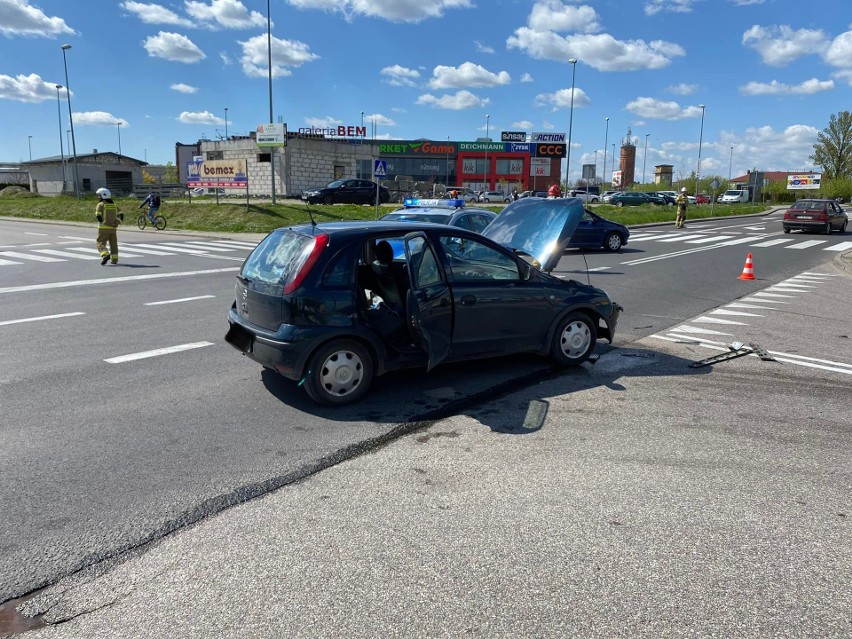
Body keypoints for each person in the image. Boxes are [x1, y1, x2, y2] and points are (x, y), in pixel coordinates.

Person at [95, 187, 123, 265]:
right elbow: (121, 215)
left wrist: (103, 222)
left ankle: (105, 255)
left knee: (100, 243)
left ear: (103, 196)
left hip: (103, 228)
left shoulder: (101, 204)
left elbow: (98, 215)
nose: (98, 197)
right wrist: (117, 222)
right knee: (113, 244)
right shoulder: (114, 205)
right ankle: (114, 259)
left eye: (99, 195)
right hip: (113, 228)